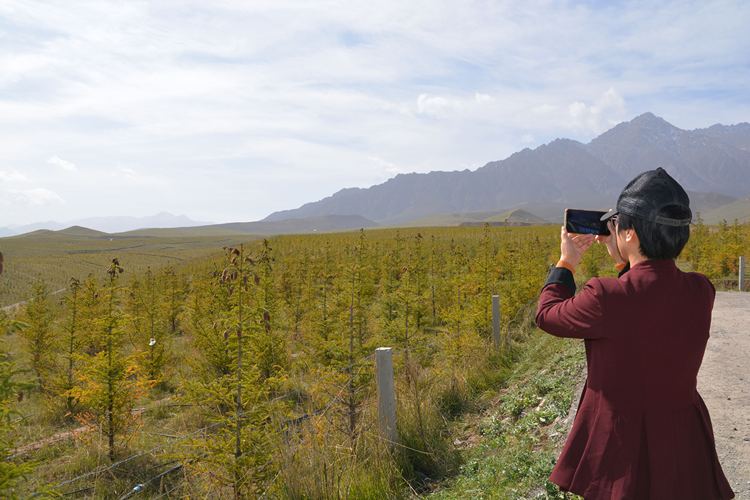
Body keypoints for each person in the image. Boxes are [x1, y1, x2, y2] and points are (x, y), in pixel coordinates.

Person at [535, 167, 735, 499]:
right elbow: (651, 295)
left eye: (619, 225)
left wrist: (566, 262)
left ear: (630, 234)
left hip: (621, 444)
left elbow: (547, 315)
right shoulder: (702, 290)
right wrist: (624, 258)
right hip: (683, 436)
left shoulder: (606, 296)